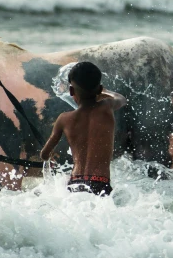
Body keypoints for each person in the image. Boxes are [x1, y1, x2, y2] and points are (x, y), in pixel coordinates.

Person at [40, 62, 127, 195]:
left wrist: (50, 158)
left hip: (75, 183)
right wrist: (103, 91)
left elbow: (44, 154)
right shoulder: (106, 108)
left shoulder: (63, 119)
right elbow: (121, 98)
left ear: (71, 91)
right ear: (99, 90)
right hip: (100, 182)